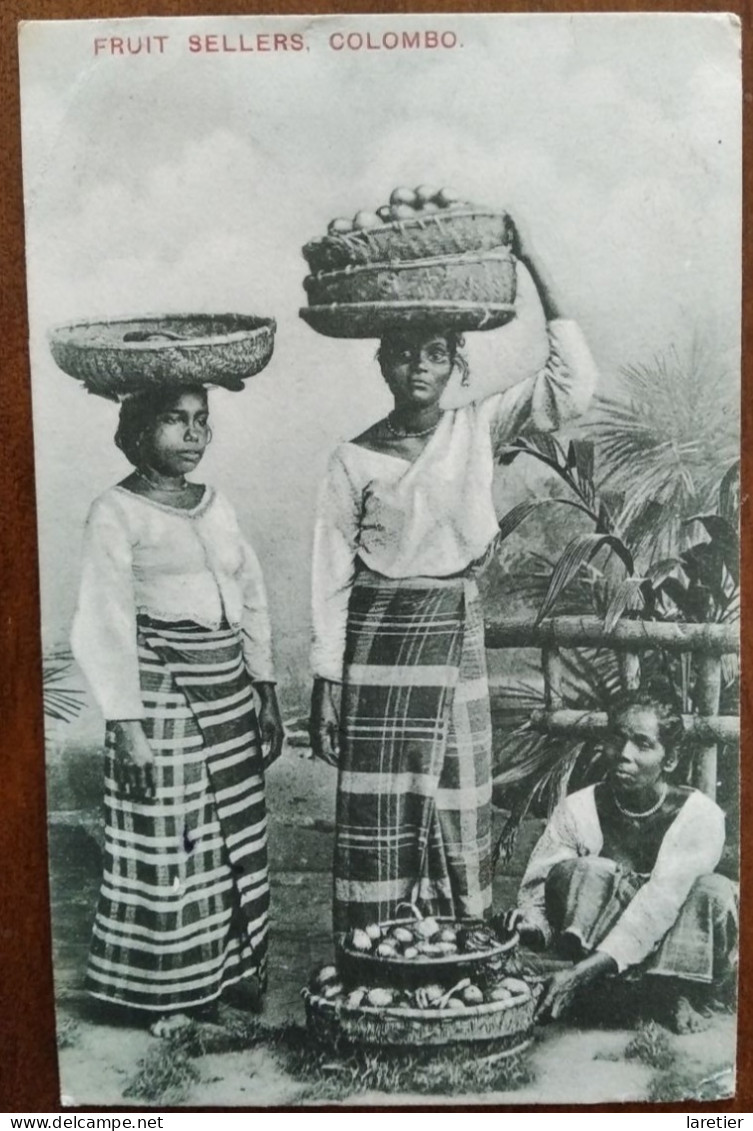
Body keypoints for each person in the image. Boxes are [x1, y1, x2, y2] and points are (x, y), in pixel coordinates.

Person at [309, 225, 599, 933]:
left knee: (457, 792)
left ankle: (456, 939)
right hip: (376, 644)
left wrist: (533, 260)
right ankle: (374, 944)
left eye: (434, 353)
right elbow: (331, 575)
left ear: (453, 365)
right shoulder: (352, 460)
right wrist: (326, 681)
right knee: (379, 801)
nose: (417, 367)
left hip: (452, 626)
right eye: (403, 353)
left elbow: (573, 385)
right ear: (381, 364)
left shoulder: (477, 426)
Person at [71, 383, 285, 1022]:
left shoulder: (217, 506)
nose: (193, 435)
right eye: (174, 421)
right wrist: (127, 726)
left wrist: (265, 690)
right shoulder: (116, 510)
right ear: (138, 431)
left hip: (228, 693)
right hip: (160, 692)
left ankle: (221, 977)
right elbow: (103, 619)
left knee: (225, 835)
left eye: (201, 421)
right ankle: (160, 991)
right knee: (168, 836)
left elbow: (250, 596)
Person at [506, 690, 738, 1032]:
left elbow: (660, 903)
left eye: (643, 744)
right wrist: (532, 924)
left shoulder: (701, 816)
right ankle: (634, 991)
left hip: (668, 930)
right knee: (582, 871)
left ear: (669, 760)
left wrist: (577, 974)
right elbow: (538, 887)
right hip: (599, 944)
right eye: (617, 739)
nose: (624, 755)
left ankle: (671, 988)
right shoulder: (578, 809)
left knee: (713, 891)